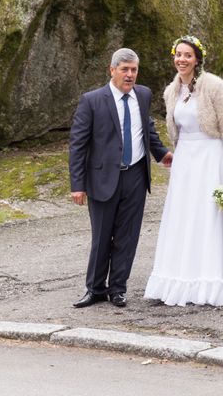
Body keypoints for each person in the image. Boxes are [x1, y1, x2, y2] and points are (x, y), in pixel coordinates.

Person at [144, 35, 223, 306]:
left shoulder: (214, 86)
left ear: (197, 59)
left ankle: (211, 279)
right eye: (178, 54)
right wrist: (171, 156)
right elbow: (177, 131)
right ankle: (180, 276)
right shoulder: (171, 91)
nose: (181, 60)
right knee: (184, 216)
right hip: (185, 160)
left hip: (211, 158)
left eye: (188, 55)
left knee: (208, 216)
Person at [70, 48, 173, 308]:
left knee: (127, 236)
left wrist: (160, 154)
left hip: (136, 176)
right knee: (102, 236)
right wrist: (78, 185)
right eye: (125, 69)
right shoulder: (91, 100)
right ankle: (95, 289)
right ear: (112, 70)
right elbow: (78, 146)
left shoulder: (143, 94)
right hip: (102, 179)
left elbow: (146, 128)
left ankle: (118, 289)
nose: (130, 75)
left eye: (134, 70)